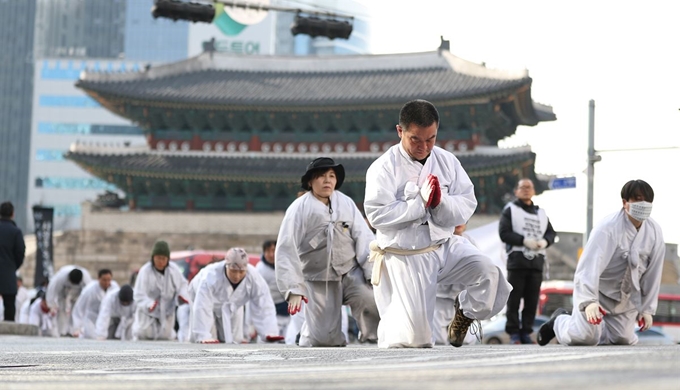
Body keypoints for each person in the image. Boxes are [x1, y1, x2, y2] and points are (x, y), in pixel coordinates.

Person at [364, 99, 512, 348]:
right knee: (415, 339)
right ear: (400, 131)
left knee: (489, 273)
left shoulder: (447, 161)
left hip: (444, 244)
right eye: (415, 139)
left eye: (430, 139)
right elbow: (377, 214)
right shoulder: (383, 167)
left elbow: (467, 202)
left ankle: (464, 311)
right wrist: (419, 203)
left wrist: (440, 203)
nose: (424, 146)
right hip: (408, 254)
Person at [538, 179, 665, 346]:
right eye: (638, 199)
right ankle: (558, 322)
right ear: (625, 203)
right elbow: (589, 267)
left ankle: (599, 333)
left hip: (626, 298)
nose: (643, 204)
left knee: (623, 339)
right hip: (598, 293)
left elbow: (653, 274)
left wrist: (647, 309)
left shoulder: (654, 232)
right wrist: (589, 301)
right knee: (584, 338)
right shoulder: (607, 228)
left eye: (647, 200)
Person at [276, 157, 380, 347]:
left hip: (350, 271)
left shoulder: (346, 203)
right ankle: (307, 334)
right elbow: (286, 248)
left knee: (371, 301)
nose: (327, 181)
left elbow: (364, 238)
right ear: (310, 181)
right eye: (321, 176)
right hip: (318, 278)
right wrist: (293, 289)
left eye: (331, 176)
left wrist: (371, 272)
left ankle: (376, 339)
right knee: (323, 339)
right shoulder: (298, 209)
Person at [498, 178, 556, 344]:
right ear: (516, 191)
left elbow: (551, 233)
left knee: (532, 300)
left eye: (529, 187)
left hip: (536, 262)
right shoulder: (510, 210)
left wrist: (545, 242)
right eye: (522, 187)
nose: (526, 190)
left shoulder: (541, 213)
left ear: (534, 191)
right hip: (517, 261)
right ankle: (514, 332)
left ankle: (527, 331)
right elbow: (504, 233)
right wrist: (523, 240)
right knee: (514, 299)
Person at [191, 247, 282, 344]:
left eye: (241, 272)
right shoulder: (210, 277)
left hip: (233, 305)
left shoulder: (254, 276)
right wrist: (203, 335)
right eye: (233, 271)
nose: (237, 276)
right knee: (210, 337)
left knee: (235, 338)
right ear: (226, 266)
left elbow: (263, 303)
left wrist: (269, 331)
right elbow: (202, 307)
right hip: (203, 301)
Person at [132, 240, 189, 341]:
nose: (161, 261)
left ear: (168, 259)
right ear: (153, 257)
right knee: (145, 337)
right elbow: (138, 294)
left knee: (165, 341)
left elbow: (183, 285)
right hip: (147, 317)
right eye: (158, 258)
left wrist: (182, 296)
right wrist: (149, 304)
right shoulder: (145, 271)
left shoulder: (174, 270)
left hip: (166, 316)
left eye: (163, 258)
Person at [433, 223, 478, 345]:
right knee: (438, 339)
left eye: (462, 220)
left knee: (466, 340)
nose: (459, 224)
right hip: (440, 294)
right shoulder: (439, 238)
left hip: (462, 295)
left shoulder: (470, 241)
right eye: (455, 220)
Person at [254, 240, 290, 337]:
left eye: (273, 251)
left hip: (288, 312)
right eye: (268, 251)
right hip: (270, 313)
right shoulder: (260, 270)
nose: (271, 254)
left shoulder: (286, 266)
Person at [45, 265, 92, 336]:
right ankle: (62, 332)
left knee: (76, 311)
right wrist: (51, 304)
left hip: (77, 293)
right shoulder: (61, 277)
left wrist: (87, 305)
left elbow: (89, 293)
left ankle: (73, 331)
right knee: (61, 310)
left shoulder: (86, 279)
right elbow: (52, 290)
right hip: (63, 292)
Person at [71, 269, 119, 339]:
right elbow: (79, 308)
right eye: (104, 280)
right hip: (92, 318)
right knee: (91, 337)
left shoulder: (115, 288)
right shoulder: (89, 289)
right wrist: (77, 327)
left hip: (108, 319)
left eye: (109, 280)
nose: (107, 282)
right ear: (98, 279)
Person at [0, 201, 26, 322]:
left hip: (9, 270)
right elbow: (20, 252)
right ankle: (8, 336)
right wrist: (13, 266)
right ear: (12, 214)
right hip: (8, 273)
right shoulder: (16, 232)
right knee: (9, 306)